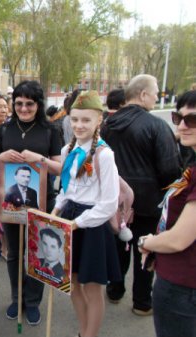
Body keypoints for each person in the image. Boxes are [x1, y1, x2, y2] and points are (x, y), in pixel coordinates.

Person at [101, 74, 181, 315]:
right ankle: (142, 302)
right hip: (149, 201)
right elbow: (170, 169)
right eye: (156, 92)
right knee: (145, 251)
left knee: (119, 246)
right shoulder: (157, 126)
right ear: (143, 94)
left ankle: (115, 290)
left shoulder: (108, 125)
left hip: (116, 201)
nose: (158, 97)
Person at [0, 80, 62, 326]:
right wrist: (1, 157)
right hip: (10, 203)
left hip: (41, 202)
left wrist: (38, 158)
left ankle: (32, 302)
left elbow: (60, 167)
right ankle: (16, 298)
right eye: (18, 103)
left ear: (38, 105)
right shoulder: (5, 129)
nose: (23, 108)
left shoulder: (51, 130)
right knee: (13, 254)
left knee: (37, 253)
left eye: (29, 104)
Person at [52, 90, 121, 337]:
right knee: (72, 285)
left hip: (91, 224)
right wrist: (55, 212)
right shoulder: (66, 150)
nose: (79, 125)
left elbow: (108, 204)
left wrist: (77, 224)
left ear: (98, 120)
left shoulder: (105, 155)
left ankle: (90, 335)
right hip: (70, 218)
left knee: (92, 289)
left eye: (86, 120)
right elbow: (65, 191)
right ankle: (83, 331)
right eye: (75, 119)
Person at [138, 90, 196, 337]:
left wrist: (147, 242)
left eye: (191, 120)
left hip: (183, 287)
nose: (182, 126)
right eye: (178, 117)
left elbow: (179, 239)